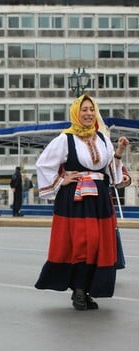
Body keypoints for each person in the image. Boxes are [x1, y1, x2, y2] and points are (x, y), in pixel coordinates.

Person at [35, 94, 129, 311]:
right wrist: (62, 179)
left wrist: (120, 153)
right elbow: (43, 165)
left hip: (99, 200)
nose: (88, 113)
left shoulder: (103, 139)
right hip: (75, 200)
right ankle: (78, 289)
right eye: (84, 110)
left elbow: (110, 174)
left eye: (91, 109)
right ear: (76, 113)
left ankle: (86, 290)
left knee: (97, 244)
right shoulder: (65, 139)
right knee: (81, 243)